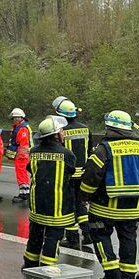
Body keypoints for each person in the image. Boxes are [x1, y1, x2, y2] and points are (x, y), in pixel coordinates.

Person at [80, 110, 139, 279]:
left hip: (104, 208)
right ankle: (128, 275)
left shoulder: (104, 149)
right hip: (133, 210)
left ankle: (112, 275)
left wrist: (83, 195)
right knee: (128, 239)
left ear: (110, 127)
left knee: (99, 236)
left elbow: (91, 176)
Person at [23, 115, 75, 269]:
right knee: (52, 239)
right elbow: (71, 173)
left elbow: (30, 169)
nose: (63, 133)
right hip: (57, 208)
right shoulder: (67, 154)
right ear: (56, 134)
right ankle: (47, 269)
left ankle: (29, 266)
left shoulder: (33, 152)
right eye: (61, 131)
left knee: (34, 238)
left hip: (37, 205)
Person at [52, 96, 93, 248]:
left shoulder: (59, 131)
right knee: (81, 204)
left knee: (69, 206)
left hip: (67, 174)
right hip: (83, 174)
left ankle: (72, 238)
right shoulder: (85, 128)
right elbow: (89, 151)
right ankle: (87, 234)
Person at [6, 108, 33, 204]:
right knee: (23, 174)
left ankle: (23, 195)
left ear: (19, 118)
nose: (14, 120)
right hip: (23, 155)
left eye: (14, 118)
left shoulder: (22, 129)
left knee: (21, 175)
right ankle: (25, 193)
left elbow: (22, 144)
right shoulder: (21, 127)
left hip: (22, 156)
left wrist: (16, 153)